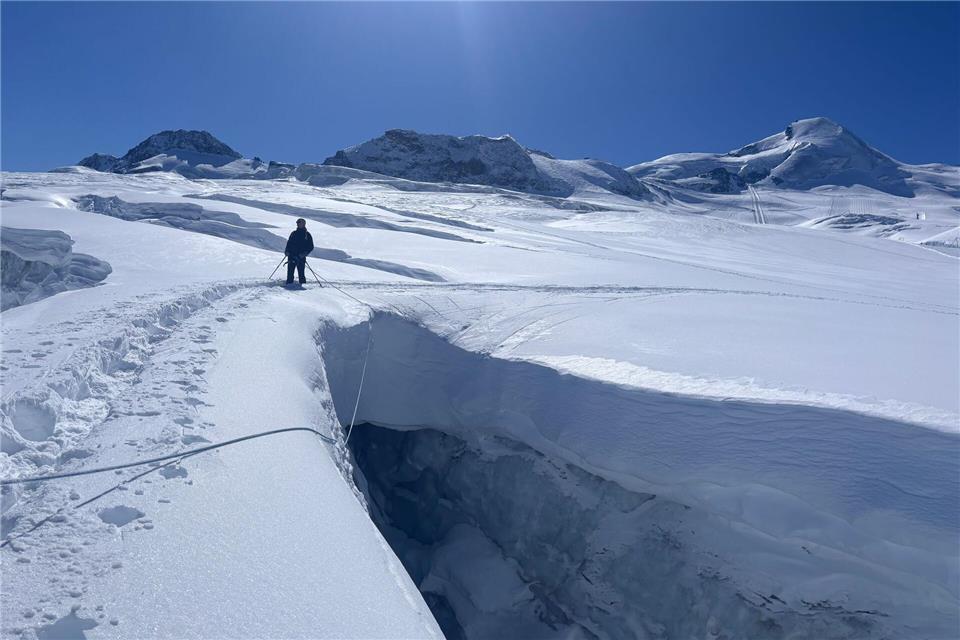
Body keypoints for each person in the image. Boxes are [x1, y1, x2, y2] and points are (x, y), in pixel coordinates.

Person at [284, 218, 314, 285]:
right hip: (291, 256)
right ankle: (288, 286)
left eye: (299, 223)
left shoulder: (307, 235)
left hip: (300, 257)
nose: (297, 224)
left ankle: (303, 291)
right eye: (297, 223)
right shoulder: (293, 233)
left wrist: (303, 254)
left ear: (303, 224)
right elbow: (289, 243)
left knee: (301, 274)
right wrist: (286, 251)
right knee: (290, 274)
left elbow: (311, 247)